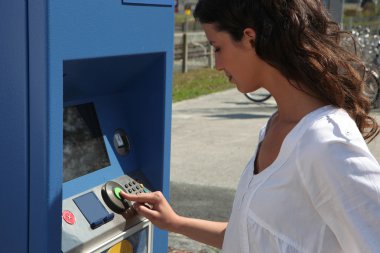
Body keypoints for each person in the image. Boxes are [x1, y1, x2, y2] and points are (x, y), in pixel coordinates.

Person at [121, 0, 380, 252]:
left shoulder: (326, 143)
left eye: (217, 47)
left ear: (249, 38)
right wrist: (175, 223)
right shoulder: (275, 126)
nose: (217, 65)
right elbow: (247, 236)